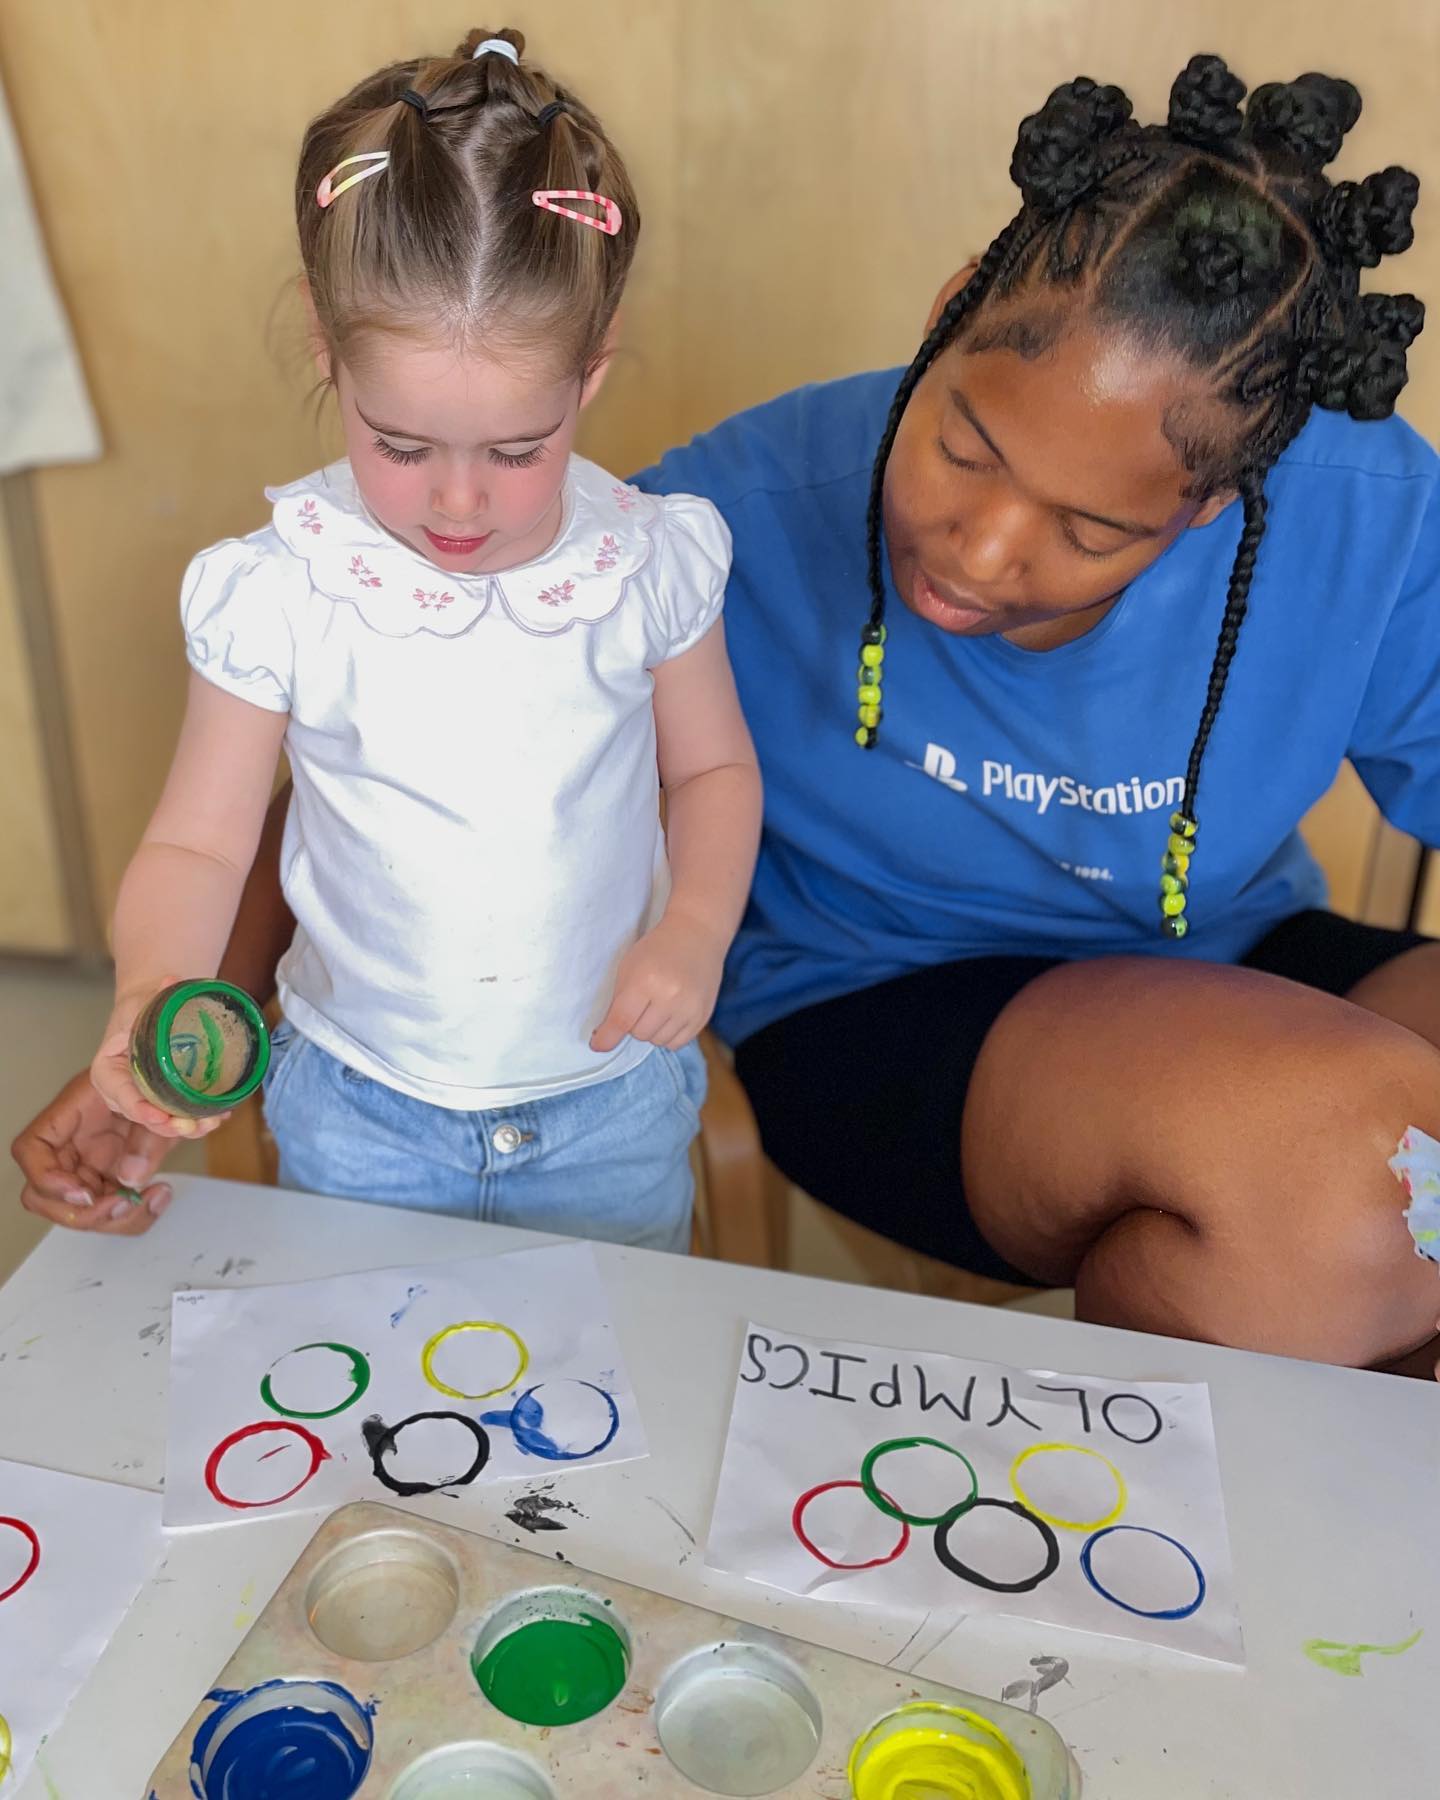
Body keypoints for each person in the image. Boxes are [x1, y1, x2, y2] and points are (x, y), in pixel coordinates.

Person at [16, 56, 1439, 1372]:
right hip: (894, 1008)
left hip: (1234, 968)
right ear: (950, 308)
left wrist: (685, 927)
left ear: (1223, 493)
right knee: (1368, 1177)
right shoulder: (724, 516)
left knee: (1396, 1189)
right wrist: (172, 1030)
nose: (982, 554)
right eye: (963, 447)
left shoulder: (1361, 510)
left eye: (1092, 529)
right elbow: (353, 781)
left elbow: (689, 779)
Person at [78, 26, 761, 1253]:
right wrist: (148, 988)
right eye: (399, 446)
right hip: (360, 1111)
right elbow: (197, 839)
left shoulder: (646, 562)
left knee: (596, 1401)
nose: (459, 504)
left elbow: (711, 771)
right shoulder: (283, 590)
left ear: (588, 378)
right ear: (327, 352)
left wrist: (697, 927)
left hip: (605, 1099)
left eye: (516, 451)